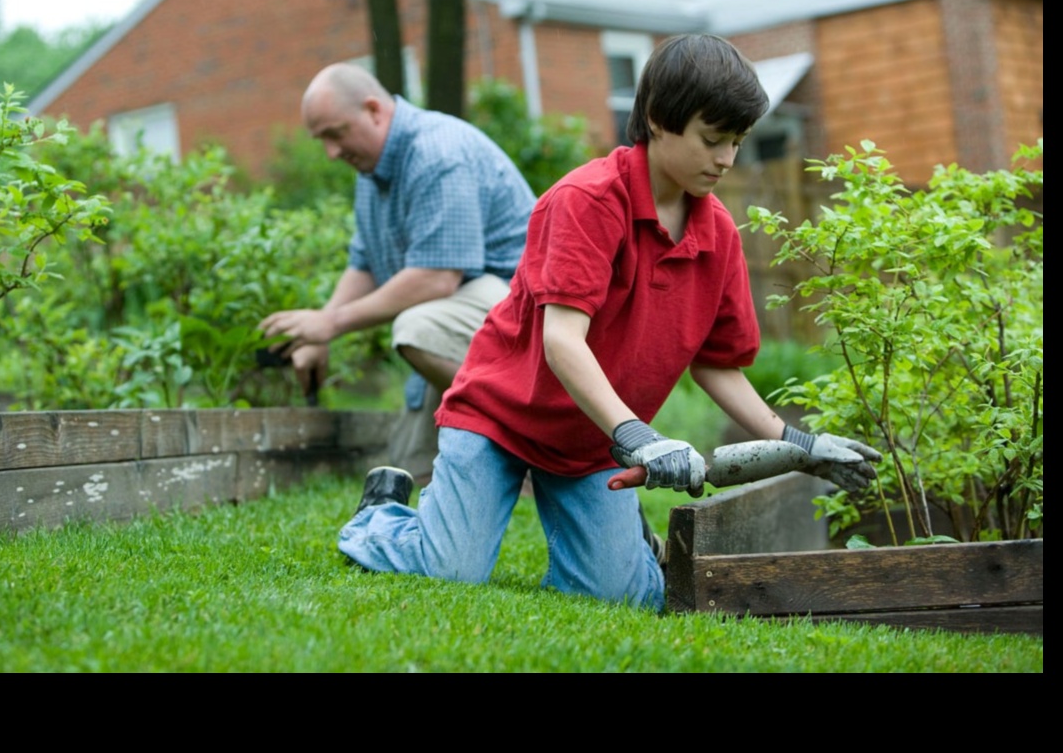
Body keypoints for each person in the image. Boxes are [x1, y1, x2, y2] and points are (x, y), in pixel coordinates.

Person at [336, 34, 881, 611]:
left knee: (620, 597)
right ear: (656, 120)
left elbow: (717, 367)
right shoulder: (586, 201)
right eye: (712, 139)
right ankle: (383, 515)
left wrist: (802, 445)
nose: (726, 159)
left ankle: (624, 548)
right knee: (450, 570)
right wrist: (641, 437)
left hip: (594, 440)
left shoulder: (717, 234)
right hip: (500, 418)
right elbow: (562, 341)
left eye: (737, 143)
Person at [259, 63, 537, 479]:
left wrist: (332, 323)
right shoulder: (372, 171)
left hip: (527, 320)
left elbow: (436, 277)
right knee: (407, 470)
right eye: (322, 141)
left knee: (418, 328)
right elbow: (365, 262)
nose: (331, 153)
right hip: (467, 321)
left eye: (335, 134)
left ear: (374, 110)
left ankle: (534, 444)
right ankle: (491, 456)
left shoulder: (436, 153)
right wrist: (317, 332)